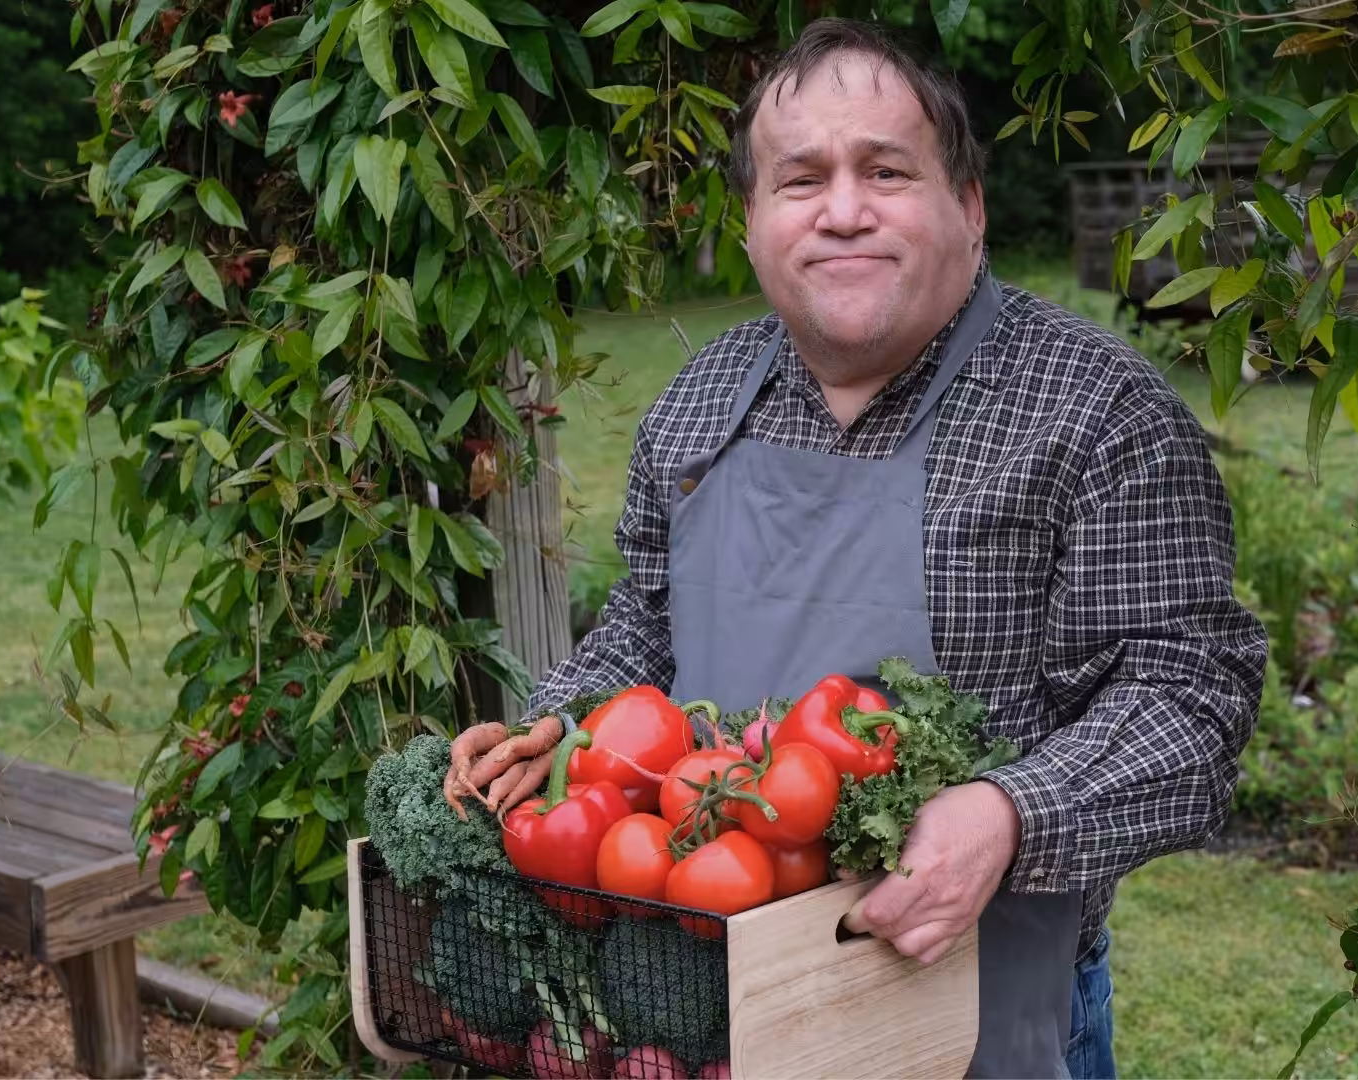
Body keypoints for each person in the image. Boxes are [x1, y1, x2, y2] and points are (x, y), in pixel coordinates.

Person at [526, 18, 1267, 1078]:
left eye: (886, 170)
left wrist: (1012, 812)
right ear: (750, 223)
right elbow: (644, 632)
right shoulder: (697, 409)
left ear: (966, 207)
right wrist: (551, 729)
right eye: (800, 180)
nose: (841, 211)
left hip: (981, 1016)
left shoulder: (1100, 413)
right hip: (710, 1012)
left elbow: (1192, 698)